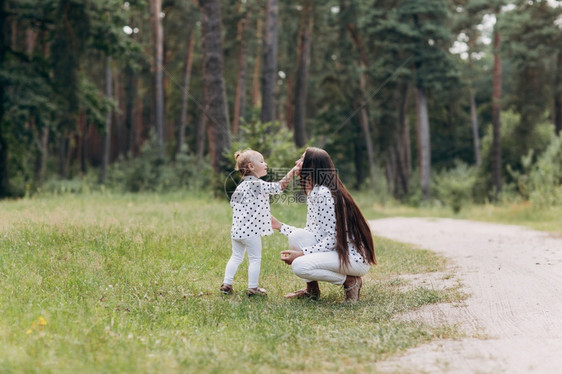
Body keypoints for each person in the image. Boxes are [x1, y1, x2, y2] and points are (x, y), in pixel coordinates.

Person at [271, 147, 377, 302]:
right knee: (296, 237)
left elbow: (333, 238)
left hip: (352, 258)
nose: (296, 162)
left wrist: (301, 254)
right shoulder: (315, 193)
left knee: (299, 266)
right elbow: (312, 233)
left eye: (301, 159)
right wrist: (279, 226)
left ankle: (350, 281)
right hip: (337, 252)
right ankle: (312, 291)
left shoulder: (324, 194)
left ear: (311, 166)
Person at [220, 149, 298, 296]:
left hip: (236, 231)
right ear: (251, 166)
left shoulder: (240, 187)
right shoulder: (258, 185)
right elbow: (279, 187)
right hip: (251, 232)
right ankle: (253, 288)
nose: (265, 164)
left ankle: (227, 284)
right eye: (262, 161)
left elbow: (233, 204)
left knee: (236, 257)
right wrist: (292, 172)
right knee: (255, 259)